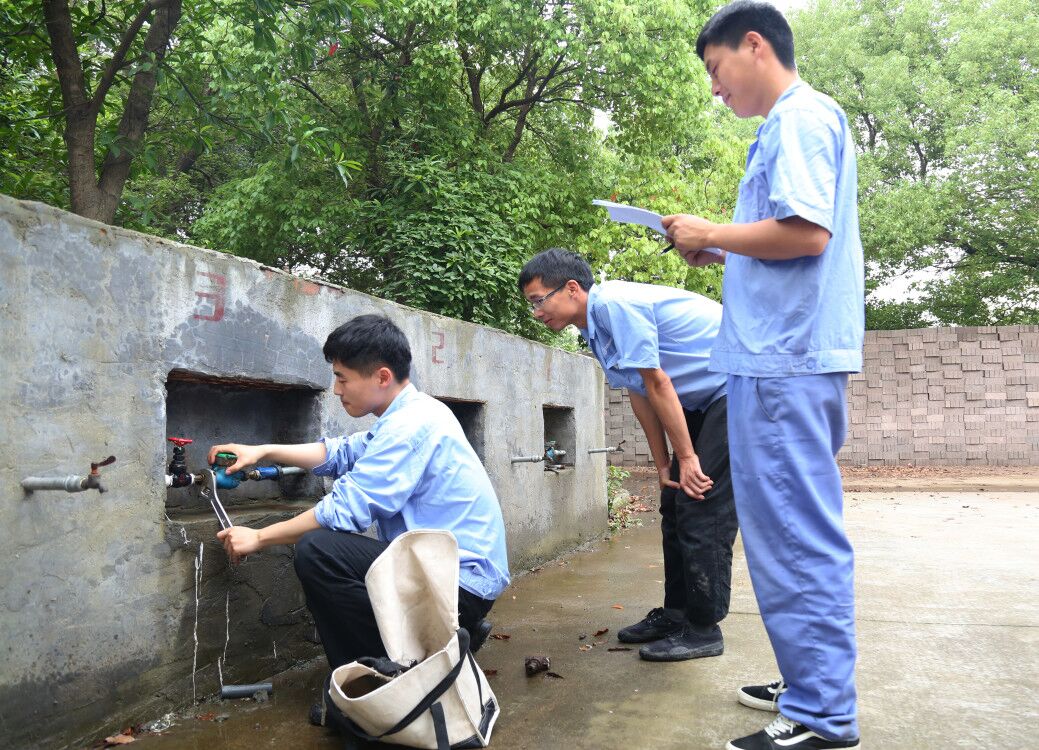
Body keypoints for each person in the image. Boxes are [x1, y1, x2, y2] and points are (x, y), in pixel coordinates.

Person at [662, 2, 864, 748]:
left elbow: (807, 234)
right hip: (781, 358)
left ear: (754, 45)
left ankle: (823, 717)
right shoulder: (793, 123)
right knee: (787, 532)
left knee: (794, 537)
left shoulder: (798, 118)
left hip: (783, 362)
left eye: (715, 69)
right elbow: (787, 240)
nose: (714, 88)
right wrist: (722, 249)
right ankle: (809, 680)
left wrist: (711, 230)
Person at [209, 314, 511, 722]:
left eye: (342, 378)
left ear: (382, 376)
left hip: (459, 585)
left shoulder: (410, 425)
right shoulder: (412, 412)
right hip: (449, 574)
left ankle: (375, 689)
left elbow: (344, 509)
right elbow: (341, 452)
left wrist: (259, 537)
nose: (336, 389)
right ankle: (446, 643)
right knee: (332, 552)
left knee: (319, 551)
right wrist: (262, 450)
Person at [519, 248, 738, 662]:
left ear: (571, 289)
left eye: (538, 300)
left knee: (701, 504)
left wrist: (689, 457)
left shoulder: (616, 305)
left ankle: (704, 629)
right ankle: (677, 614)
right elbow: (640, 392)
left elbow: (658, 382)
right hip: (702, 400)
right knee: (675, 501)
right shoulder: (594, 330)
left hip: (737, 388)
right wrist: (664, 464)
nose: (536, 312)